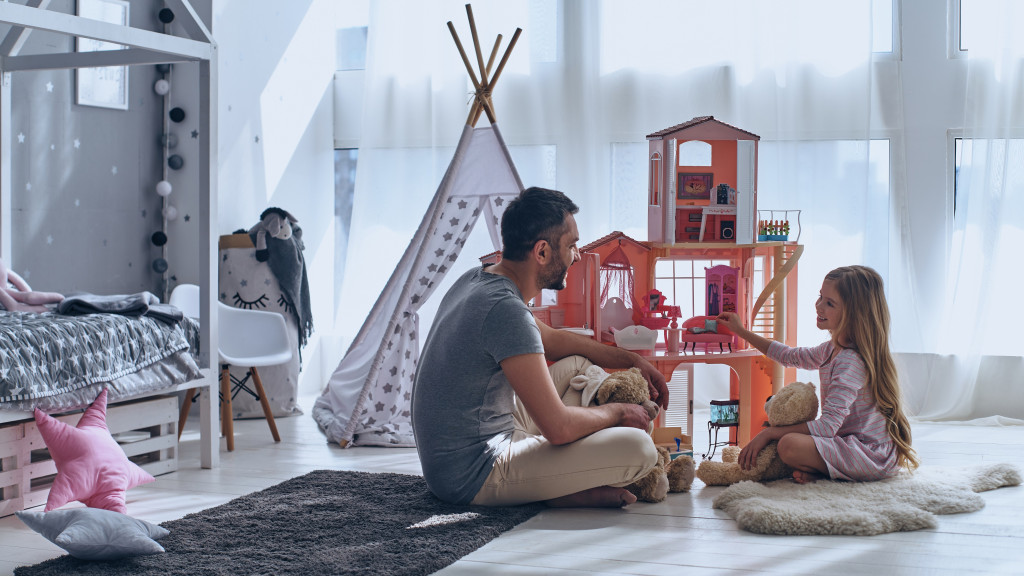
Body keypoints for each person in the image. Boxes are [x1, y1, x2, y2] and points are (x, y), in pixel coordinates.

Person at [411, 186, 670, 508]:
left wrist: (631, 360)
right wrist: (619, 412)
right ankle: (555, 491)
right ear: (543, 252)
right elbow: (558, 428)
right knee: (638, 448)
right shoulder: (505, 310)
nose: (577, 255)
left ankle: (553, 479)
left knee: (578, 365)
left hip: (460, 454)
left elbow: (552, 340)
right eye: (571, 246)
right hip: (472, 474)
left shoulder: (478, 279)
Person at [716, 265, 919, 483]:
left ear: (853, 314)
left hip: (868, 455)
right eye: (820, 296)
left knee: (788, 444)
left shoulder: (850, 361)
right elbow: (788, 356)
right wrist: (741, 331)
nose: (818, 305)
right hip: (848, 445)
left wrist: (770, 432)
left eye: (829, 303)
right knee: (789, 442)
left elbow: (827, 426)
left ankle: (823, 472)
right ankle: (823, 472)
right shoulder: (831, 349)